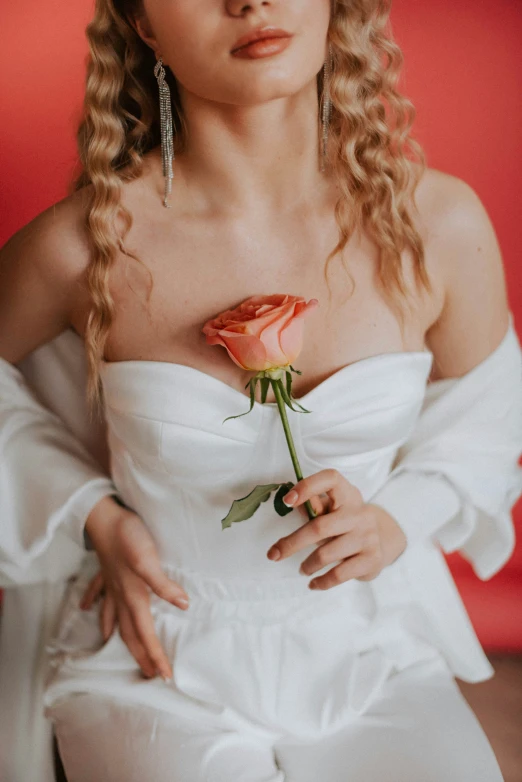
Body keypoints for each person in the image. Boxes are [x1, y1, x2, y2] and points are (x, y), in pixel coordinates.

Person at [1, 0, 521, 779]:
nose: (249, 1)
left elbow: (490, 412)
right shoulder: (83, 249)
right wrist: (90, 514)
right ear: (144, 23)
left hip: (371, 649)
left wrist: (397, 520)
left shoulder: (436, 226)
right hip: (154, 662)